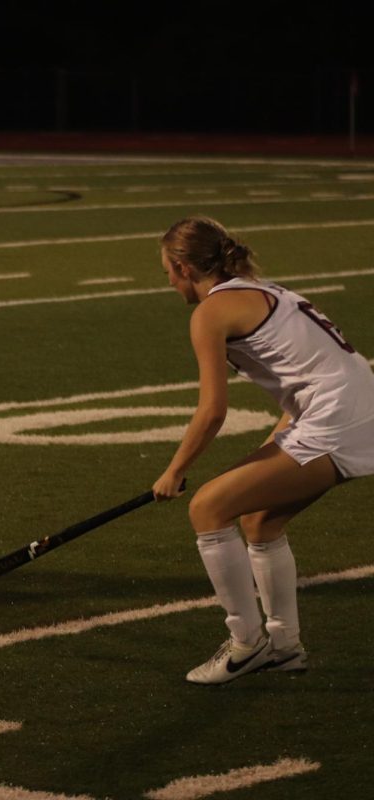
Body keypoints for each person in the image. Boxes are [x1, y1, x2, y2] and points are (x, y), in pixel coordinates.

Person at [153, 216, 374, 684]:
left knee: (208, 508)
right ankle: (284, 647)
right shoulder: (260, 289)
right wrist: (279, 439)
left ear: (183, 267)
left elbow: (213, 411)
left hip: (340, 419)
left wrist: (174, 470)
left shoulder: (209, 313)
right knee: (261, 519)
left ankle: (247, 645)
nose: (170, 283)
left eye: (168, 273)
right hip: (345, 408)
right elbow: (312, 374)